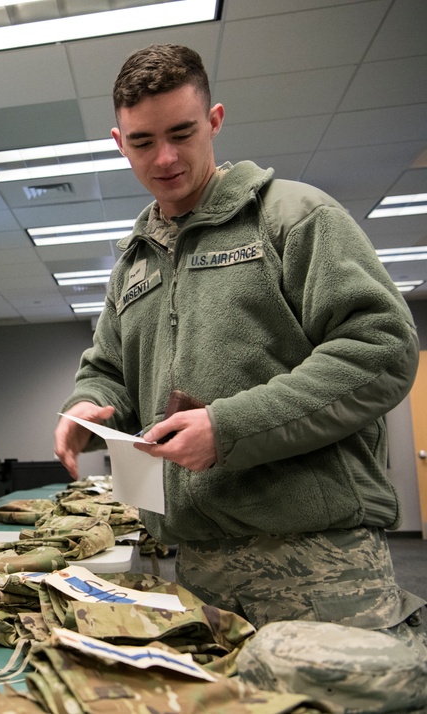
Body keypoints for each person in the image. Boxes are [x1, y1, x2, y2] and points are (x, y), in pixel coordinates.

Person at [53, 44, 425, 645]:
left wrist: (228, 427)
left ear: (215, 121)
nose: (166, 157)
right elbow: (107, 369)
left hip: (319, 560)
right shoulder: (134, 262)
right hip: (198, 563)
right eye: (144, 142)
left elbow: (382, 346)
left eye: (183, 132)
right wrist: (86, 405)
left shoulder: (292, 217)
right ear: (119, 143)